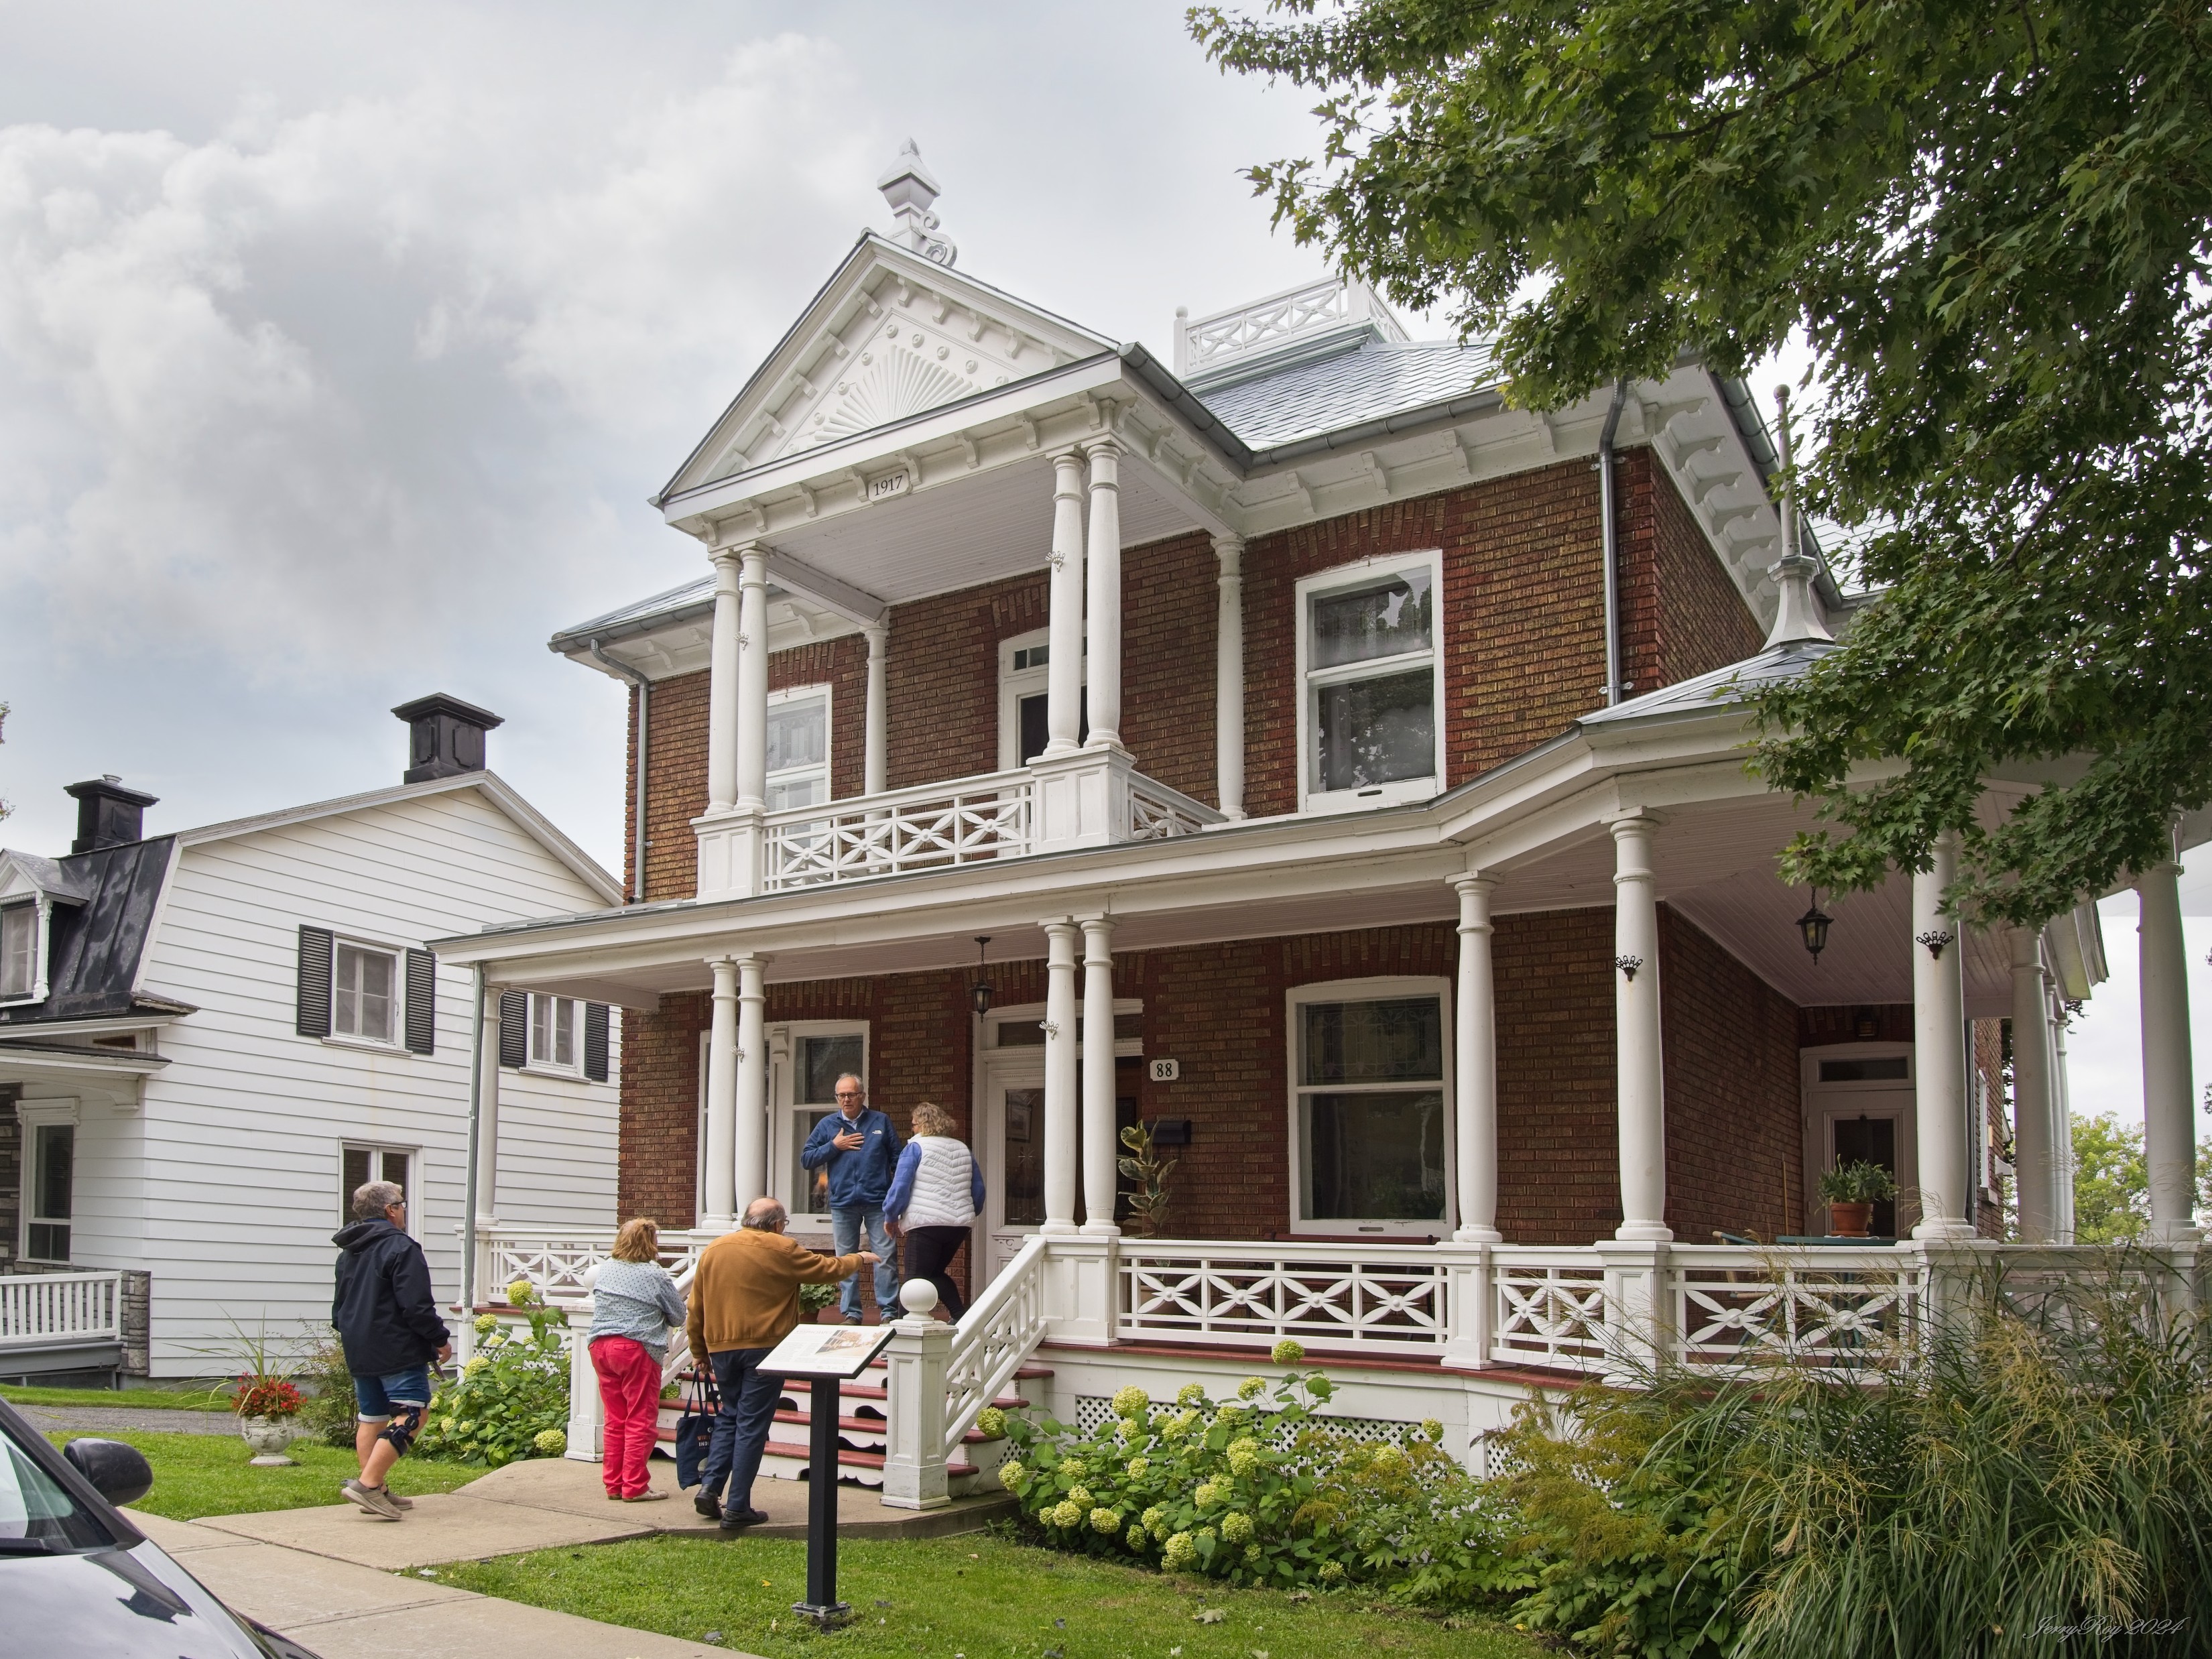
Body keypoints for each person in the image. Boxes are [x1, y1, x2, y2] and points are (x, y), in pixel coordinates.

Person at [685, 1195, 875, 1532]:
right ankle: (738, 1506)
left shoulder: (715, 1250)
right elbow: (825, 1269)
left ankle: (710, 1487)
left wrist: (699, 1351)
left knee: (730, 1416)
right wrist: (858, 1258)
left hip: (722, 1348)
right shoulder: (781, 1248)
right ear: (776, 1224)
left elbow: (695, 1306)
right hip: (765, 1348)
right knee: (752, 1425)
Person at [331, 1180, 450, 1521]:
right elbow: (416, 1305)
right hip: (396, 1345)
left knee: (372, 1416)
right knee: (413, 1412)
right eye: (402, 1204)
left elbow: (339, 1308)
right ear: (390, 1210)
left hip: (359, 1344)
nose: (403, 1210)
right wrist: (439, 1338)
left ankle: (377, 1490)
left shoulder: (349, 1251)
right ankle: (368, 1485)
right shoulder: (402, 1248)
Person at [586, 1217, 687, 1502]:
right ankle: (635, 1486)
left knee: (615, 1419)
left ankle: (614, 1485)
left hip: (600, 1347)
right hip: (635, 1348)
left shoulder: (606, 1270)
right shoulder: (654, 1274)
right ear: (651, 1243)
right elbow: (679, 1315)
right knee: (640, 1419)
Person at [798, 1073, 902, 1323]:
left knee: (885, 1256)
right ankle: (852, 1313)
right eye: (841, 1095)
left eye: (851, 1095)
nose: (846, 1100)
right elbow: (806, 1159)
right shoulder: (827, 1125)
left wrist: (896, 1196)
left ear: (862, 1096)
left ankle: (888, 1312)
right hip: (843, 1203)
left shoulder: (880, 1121)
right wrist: (835, 1145)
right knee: (846, 1260)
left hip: (878, 1202)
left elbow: (898, 1160)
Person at [883, 1102, 985, 1320]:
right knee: (934, 1274)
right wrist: (967, 1214)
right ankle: (961, 1318)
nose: (912, 1129)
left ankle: (900, 1333)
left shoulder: (915, 1148)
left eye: (914, 1124)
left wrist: (891, 1216)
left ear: (922, 1124)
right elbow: (978, 1191)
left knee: (914, 1281)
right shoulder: (962, 1149)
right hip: (958, 1226)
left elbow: (900, 1186)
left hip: (926, 1224)